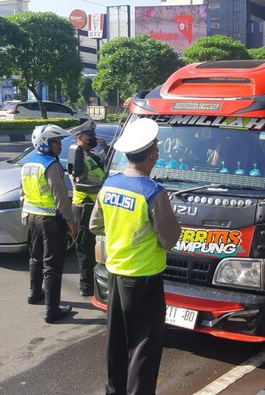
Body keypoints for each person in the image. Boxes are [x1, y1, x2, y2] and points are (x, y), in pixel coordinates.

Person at [89, 118, 181, 395]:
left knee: (116, 341)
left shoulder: (110, 185)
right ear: (152, 154)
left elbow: (95, 225)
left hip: (115, 274)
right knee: (144, 346)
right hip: (143, 280)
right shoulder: (153, 192)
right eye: (156, 148)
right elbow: (170, 240)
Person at [21, 124, 78, 323]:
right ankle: (52, 310)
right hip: (50, 219)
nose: (60, 145)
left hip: (31, 217)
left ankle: (34, 293)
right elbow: (61, 197)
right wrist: (71, 222)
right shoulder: (51, 166)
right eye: (57, 141)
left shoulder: (29, 164)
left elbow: (24, 193)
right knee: (53, 265)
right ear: (47, 143)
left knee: (35, 258)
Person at [69, 121, 109, 296]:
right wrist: (103, 187)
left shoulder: (91, 154)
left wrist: (106, 150)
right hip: (84, 206)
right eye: (89, 138)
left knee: (98, 248)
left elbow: (105, 169)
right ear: (79, 138)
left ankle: (97, 283)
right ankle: (86, 286)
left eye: (94, 137)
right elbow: (79, 185)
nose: (92, 140)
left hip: (97, 206)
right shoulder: (76, 155)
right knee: (86, 250)